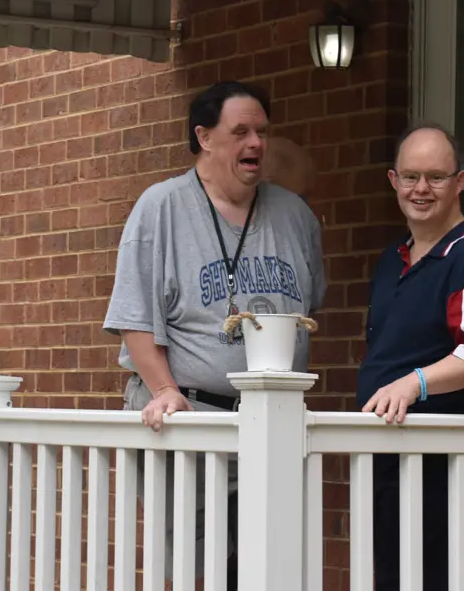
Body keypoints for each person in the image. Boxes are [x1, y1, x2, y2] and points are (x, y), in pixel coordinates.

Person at [103, 80, 326, 590]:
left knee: (269, 567)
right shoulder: (160, 208)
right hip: (190, 424)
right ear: (204, 137)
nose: (256, 144)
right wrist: (165, 390)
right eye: (241, 132)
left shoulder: (294, 215)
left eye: (262, 133)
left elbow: (310, 302)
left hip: (271, 427)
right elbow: (135, 318)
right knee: (199, 572)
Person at [357, 123, 464, 591]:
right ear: (393, 181)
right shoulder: (394, 259)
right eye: (410, 177)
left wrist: (413, 383)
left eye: (436, 177)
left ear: (460, 182)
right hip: (392, 457)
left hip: (447, 466)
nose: (421, 189)